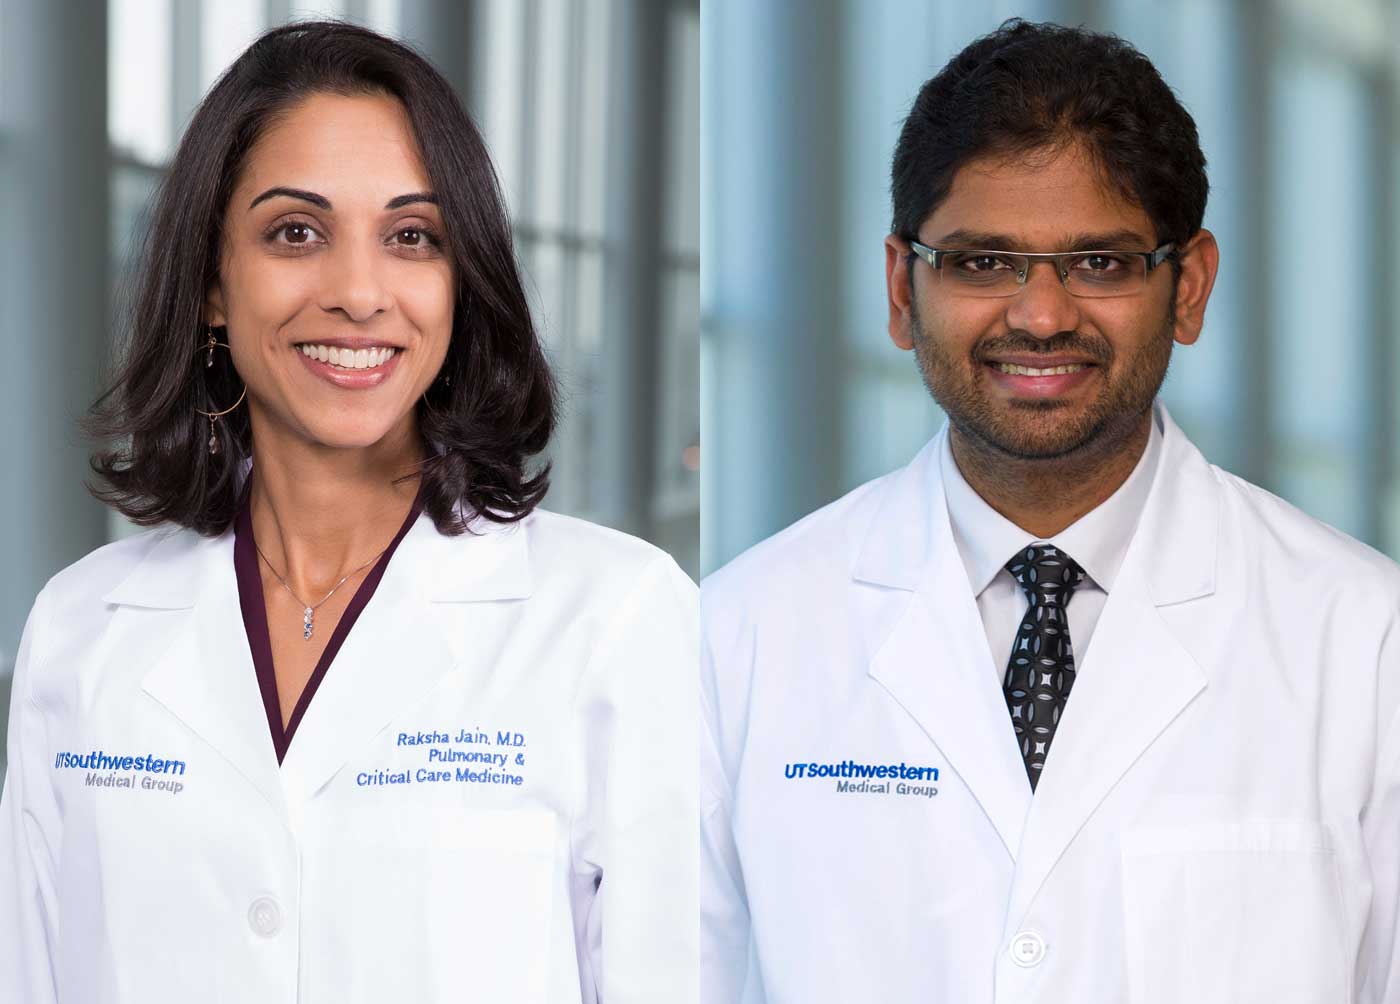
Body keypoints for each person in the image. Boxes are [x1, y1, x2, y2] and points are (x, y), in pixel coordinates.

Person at [700, 19, 1400, 1004]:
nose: (1038, 314)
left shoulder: (1366, 641)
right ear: (901, 287)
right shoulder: (737, 634)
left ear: (1187, 286)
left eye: (1098, 263)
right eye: (982, 260)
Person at [0, 21, 696, 1004]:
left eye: (412, 237)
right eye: (296, 232)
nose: (360, 292)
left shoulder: (613, 617)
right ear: (210, 280)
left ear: (459, 284)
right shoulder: (81, 628)